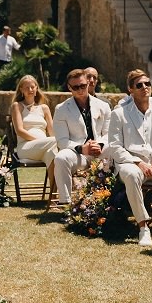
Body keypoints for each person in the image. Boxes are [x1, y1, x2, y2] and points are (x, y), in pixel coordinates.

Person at [107, 69, 152, 248]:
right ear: (130, 90)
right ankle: (143, 227)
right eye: (139, 85)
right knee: (132, 175)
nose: (145, 87)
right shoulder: (119, 114)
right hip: (132, 164)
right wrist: (140, 163)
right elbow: (115, 148)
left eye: (147, 84)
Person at [50, 68, 112, 209]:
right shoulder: (61, 109)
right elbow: (62, 140)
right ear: (69, 88)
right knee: (60, 158)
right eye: (76, 87)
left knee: (119, 149)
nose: (80, 90)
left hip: (101, 151)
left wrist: (100, 145)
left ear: (88, 84)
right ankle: (65, 202)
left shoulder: (104, 106)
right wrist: (81, 148)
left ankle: (118, 199)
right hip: (78, 153)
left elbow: (110, 134)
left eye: (83, 86)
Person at [9, 75, 57, 166]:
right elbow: (19, 131)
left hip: (44, 146)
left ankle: (53, 181)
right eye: (27, 88)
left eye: (32, 87)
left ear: (36, 89)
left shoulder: (44, 108)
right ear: (21, 90)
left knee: (53, 155)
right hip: (26, 147)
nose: (30, 90)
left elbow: (52, 132)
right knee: (56, 141)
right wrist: (39, 140)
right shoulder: (17, 106)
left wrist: (44, 142)